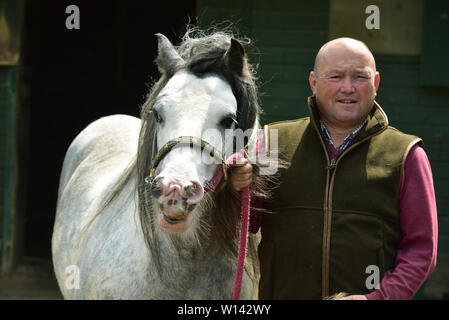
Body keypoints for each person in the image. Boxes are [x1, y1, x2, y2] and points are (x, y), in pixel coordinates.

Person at [230, 37, 438, 300]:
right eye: (336, 77)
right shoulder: (273, 143)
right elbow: (245, 223)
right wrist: (235, 189)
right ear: (313, 83)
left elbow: (421, 251)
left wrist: (378, 298)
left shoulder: (406, 153)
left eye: (359, 77)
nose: (348, 88)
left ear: (375, 83)